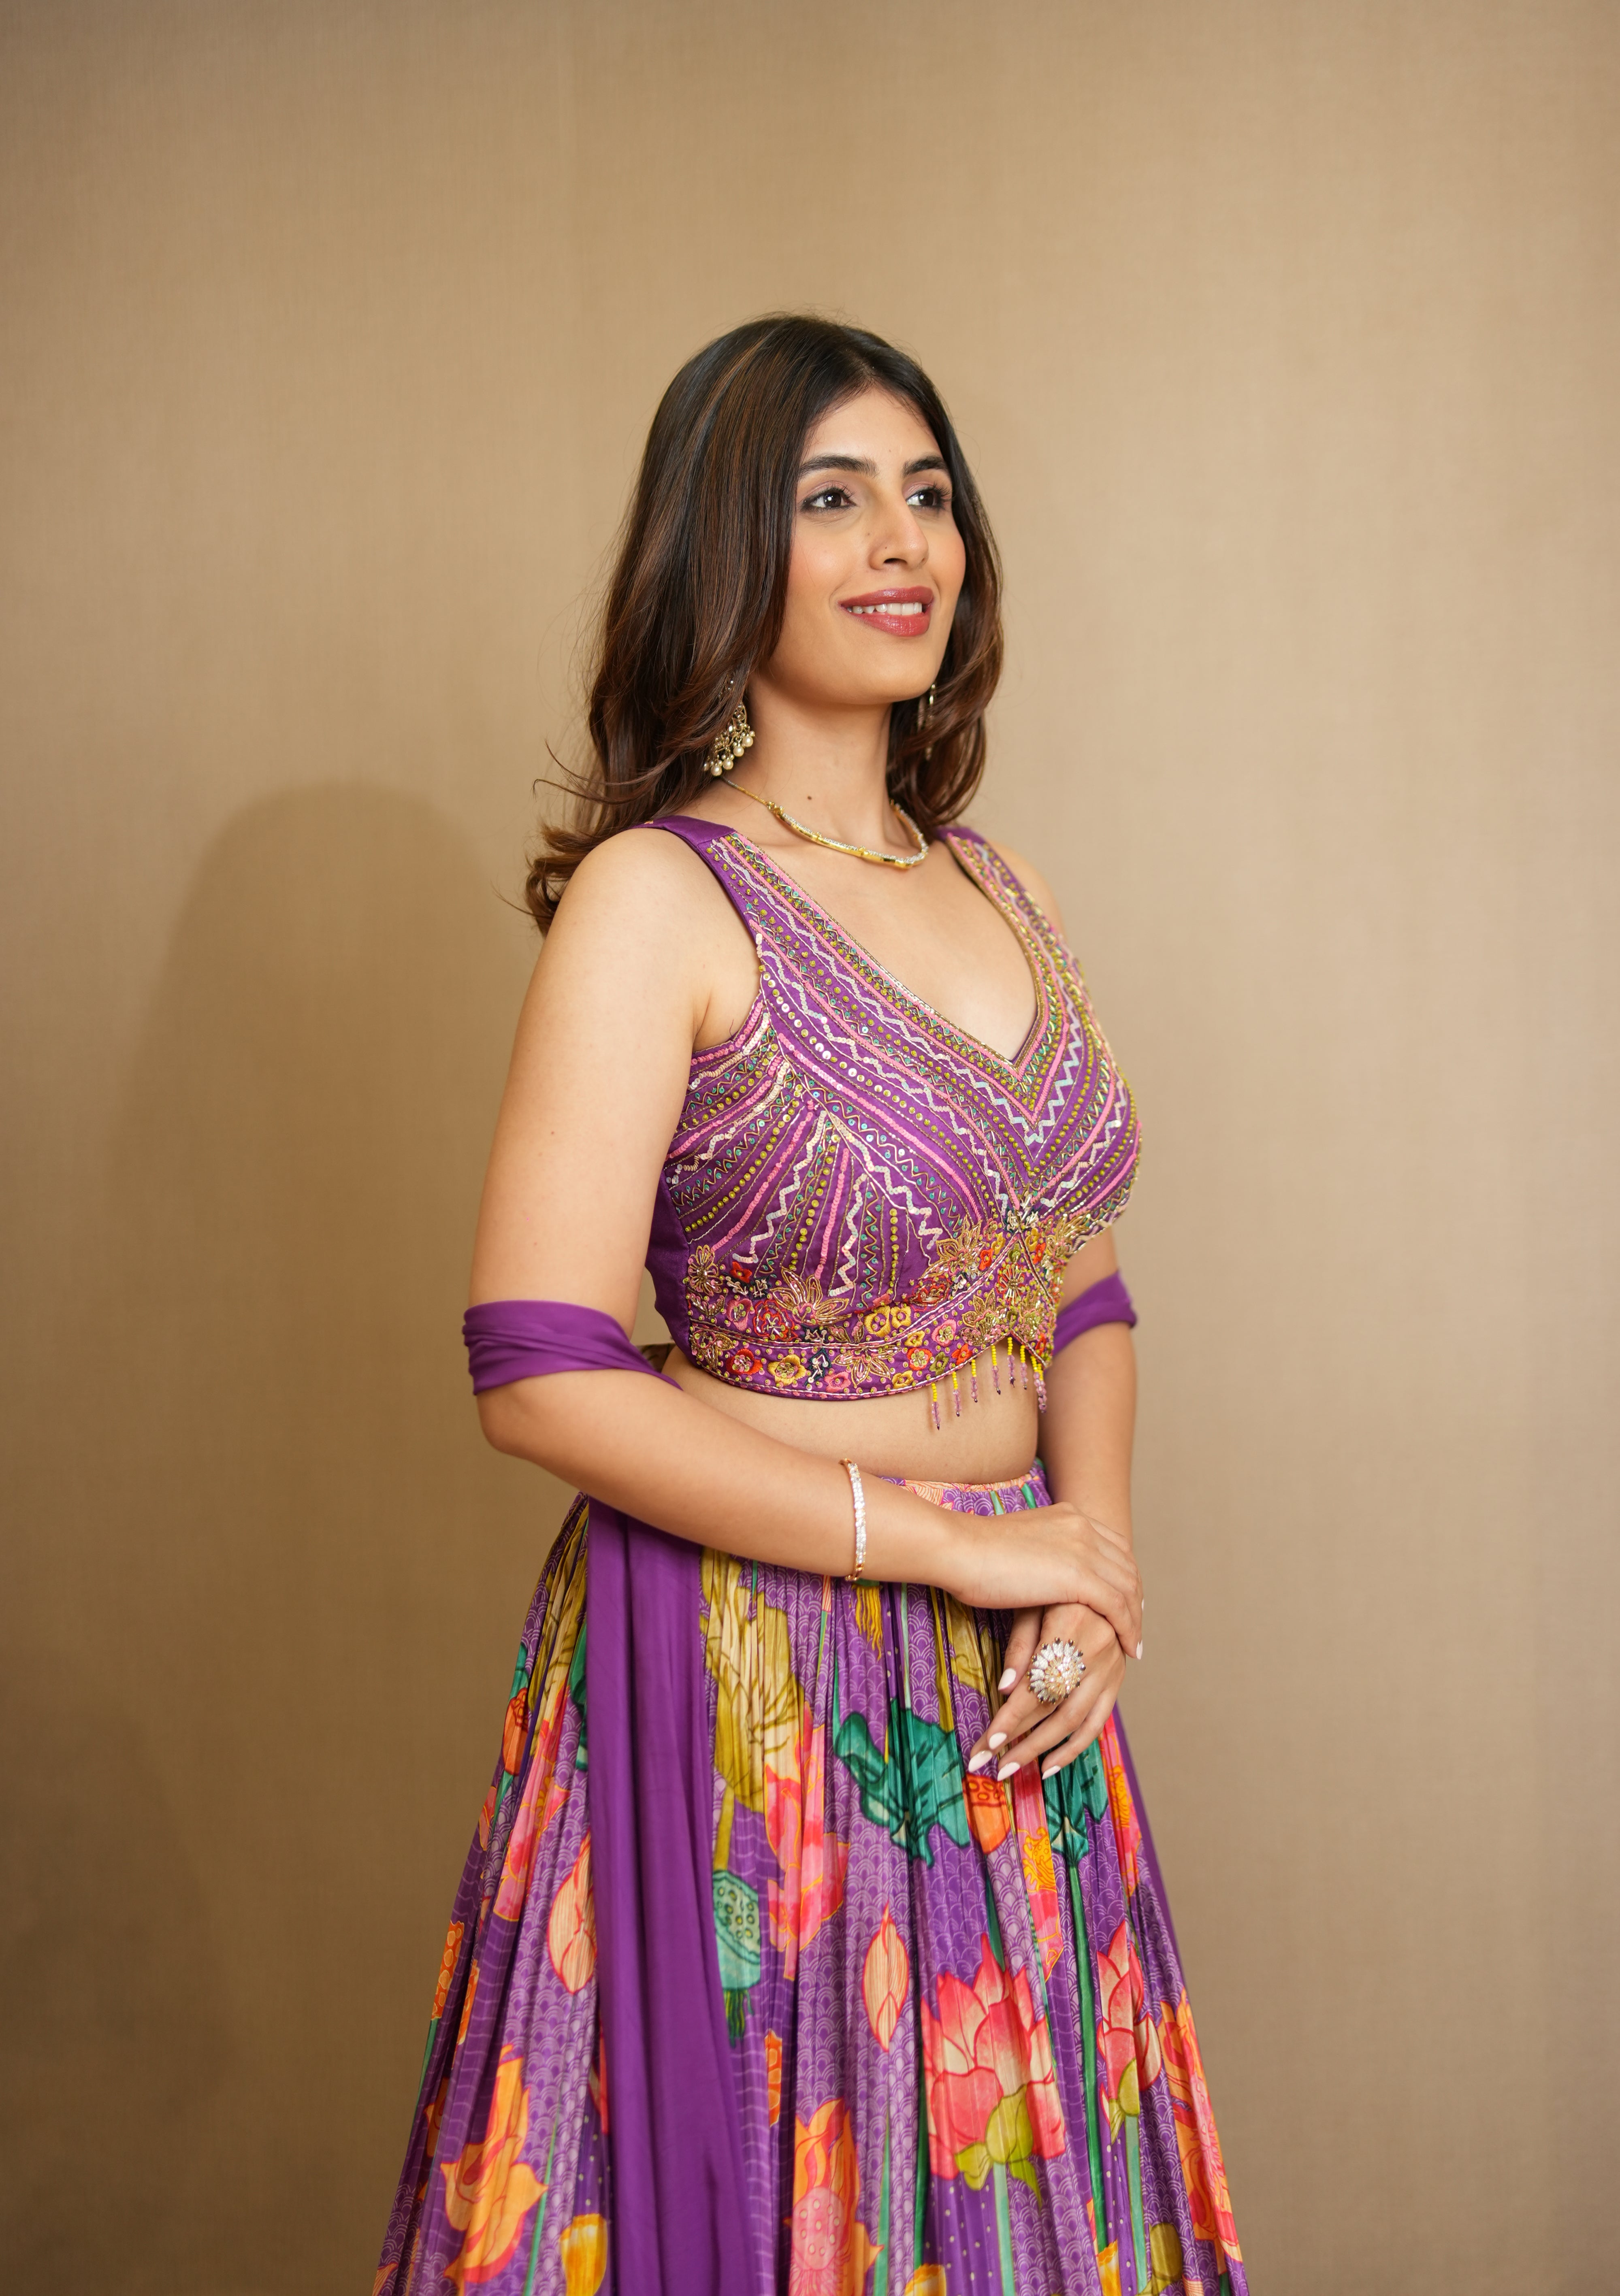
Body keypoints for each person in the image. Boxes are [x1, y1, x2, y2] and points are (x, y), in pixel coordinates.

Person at [375, 315, 1245, 2296]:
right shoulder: (659, 900)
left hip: (1005, 1676)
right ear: (720, 552)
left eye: (927, 492)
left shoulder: (998, 882)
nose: (900, 539)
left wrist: (1087, 1563)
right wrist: (953, 1536)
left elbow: (1081, 1274)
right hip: (749, 1677)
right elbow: (540, 1369)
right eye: (829, 496)